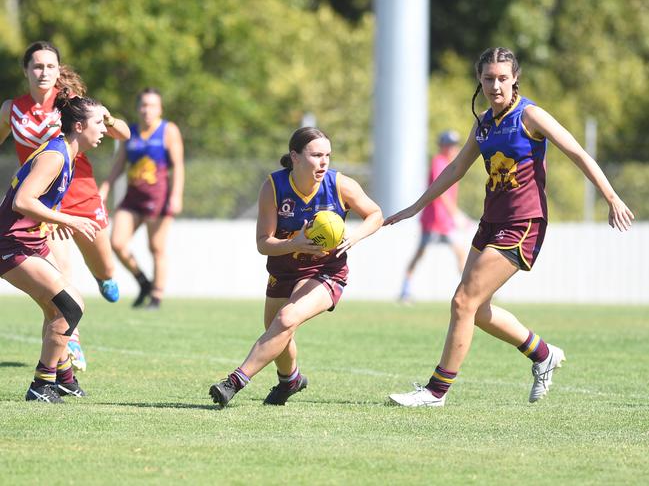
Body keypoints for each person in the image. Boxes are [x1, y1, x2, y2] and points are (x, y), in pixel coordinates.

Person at [385, 47, 634, 407]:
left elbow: (578, 152)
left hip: (523, 222)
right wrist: (415, 207)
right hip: (492, 221)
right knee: (477, 309)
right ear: (480, 80)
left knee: (462, 301)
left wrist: (611, 196)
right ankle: (543, 354)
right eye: (488, 78)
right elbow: (456, 170)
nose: (495, 85)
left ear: (515, 78)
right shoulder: (484, 122)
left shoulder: (529, 115)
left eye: (502, 78)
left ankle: (436, 392)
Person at [209, 127, 383, 408]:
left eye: (327, 155)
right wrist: (295, 244)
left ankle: (235, 381)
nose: (324, 162)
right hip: (284, 270)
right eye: (316, 155)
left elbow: (375, 213)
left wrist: (353, 237)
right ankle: (290, 380)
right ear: (296, 157)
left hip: (326, 271)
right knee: (276, 329)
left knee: (287, 318)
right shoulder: (274, 187)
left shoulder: (340, 185)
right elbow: (263, 243)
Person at [0, 41, 131, 372]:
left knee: (104, 269)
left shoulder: (73, 106)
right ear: (26, 70)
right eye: (37, 66)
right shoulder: (12, 110)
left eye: (50, 66)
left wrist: (106, 117)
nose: (43, 72)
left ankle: (104, 277)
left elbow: (125, 134)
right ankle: (69, 346)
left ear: (60, 70)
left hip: (81, 195)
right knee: (62, 282)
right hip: (44, 202)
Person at [0, 89, 107, 402]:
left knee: (58, 309)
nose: (104, 128)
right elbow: (22, 201)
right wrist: (68, 220)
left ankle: (63, 378)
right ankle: (41, 385)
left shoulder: (68, 154)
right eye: (99, 122)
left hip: (28, 240)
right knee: (69, 307)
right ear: (78, 126)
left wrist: (52, 219)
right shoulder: (56, 154)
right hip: (11, 244)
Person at [99, 88, 184, 309]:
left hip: (159, 199)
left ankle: (156, 296)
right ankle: (142, 281)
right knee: (116, 243)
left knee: (156, 247)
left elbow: (178, 166)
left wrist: (176, 195)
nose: (147, 110)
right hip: (132, 198)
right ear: (138, 108)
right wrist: (106, 186)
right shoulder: (132, 132)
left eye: (152, 105)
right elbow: (119, 163)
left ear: (160, 109)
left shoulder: (168, 130)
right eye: (144, 105)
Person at [398, 130, 468, 302]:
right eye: (448, 145)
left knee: (460, 253)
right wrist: (456, 214)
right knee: (420, 254)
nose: (451, 148)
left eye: (453, 145)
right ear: (441, 146)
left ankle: (470, 290)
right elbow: (441, 193)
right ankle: (405, 290)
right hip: (434, 220)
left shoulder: (451, 163)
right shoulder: (439, 162)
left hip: (445, 221)